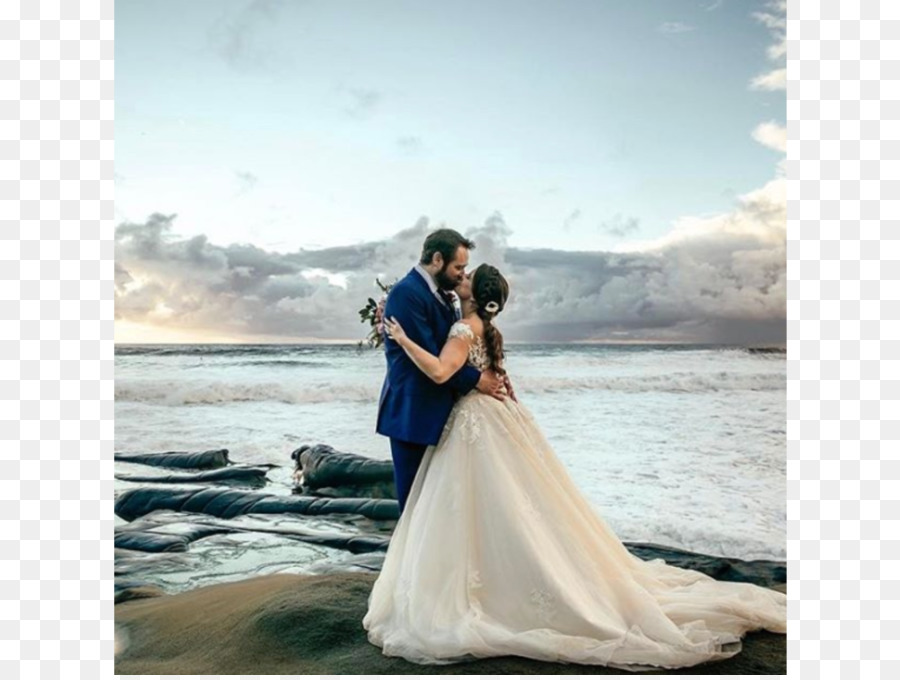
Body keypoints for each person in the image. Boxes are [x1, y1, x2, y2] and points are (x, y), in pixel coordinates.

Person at [362, 263, 787, 671]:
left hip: (475, 420)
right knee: (513, 506)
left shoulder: (461, 327)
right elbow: (497, 376)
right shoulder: (489, 330)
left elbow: (439, 371)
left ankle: (484, 589)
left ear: (478, 294)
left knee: (481, 506)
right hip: (496, 418)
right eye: (463, 270)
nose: (464, 277)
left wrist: (400, 337)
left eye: (469, 275)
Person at [375, 229, 508, 515]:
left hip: (438, 413)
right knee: (415, 507)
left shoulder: (442, 295)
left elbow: (453, 353)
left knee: (439, 509)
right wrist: (477, 380)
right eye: (458, 267)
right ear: (437, 259)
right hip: (413, 414)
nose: (462, 275)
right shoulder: (408, 294)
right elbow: (436, 362)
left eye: (465, 270)